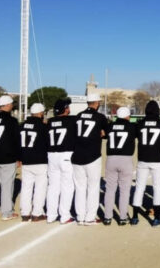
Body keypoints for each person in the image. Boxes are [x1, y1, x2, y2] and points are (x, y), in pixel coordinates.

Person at [131, 100, 160, 226]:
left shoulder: (140, 123)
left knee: (139, 187)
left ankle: (135, 216)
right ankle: (156, 218)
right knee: (158, 188)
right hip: (157, 159)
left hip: (142, 159)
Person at [72, 93, 108, 225]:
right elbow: (107, 133)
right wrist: (101, 134)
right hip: (93, 155)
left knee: (80, 188)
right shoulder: (100, 117)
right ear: (97, 103)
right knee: (93, 187)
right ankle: (90, 217)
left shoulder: (78, 116)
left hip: (77, 155)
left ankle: (80, 216)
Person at [103, 106, 136, 226]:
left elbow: (103, 134)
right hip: (125, 159)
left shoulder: (110, 126)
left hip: (111, 158)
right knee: (124, 190)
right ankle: (122, 217)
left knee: (110, 189)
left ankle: (107, 217)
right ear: (127, 116)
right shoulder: (131, 126)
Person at [46, 98, 77, 224]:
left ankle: (51, 215)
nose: (69, 108)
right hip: (66, 155)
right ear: (65, 109)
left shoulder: (49, 122)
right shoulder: (72, 120)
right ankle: (64, 215)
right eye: (67, 107)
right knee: (67, 186)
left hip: (51, 155)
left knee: (53, 186)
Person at [19, 103, 49, 222]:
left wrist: (19, 157)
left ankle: (25, 213)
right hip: (40, 160)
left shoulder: (21, 126)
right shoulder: (43, 127)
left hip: (26, 160)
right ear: (41, 113)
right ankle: (37, 213)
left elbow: (17, 143)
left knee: (26, 187)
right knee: (40, 187)